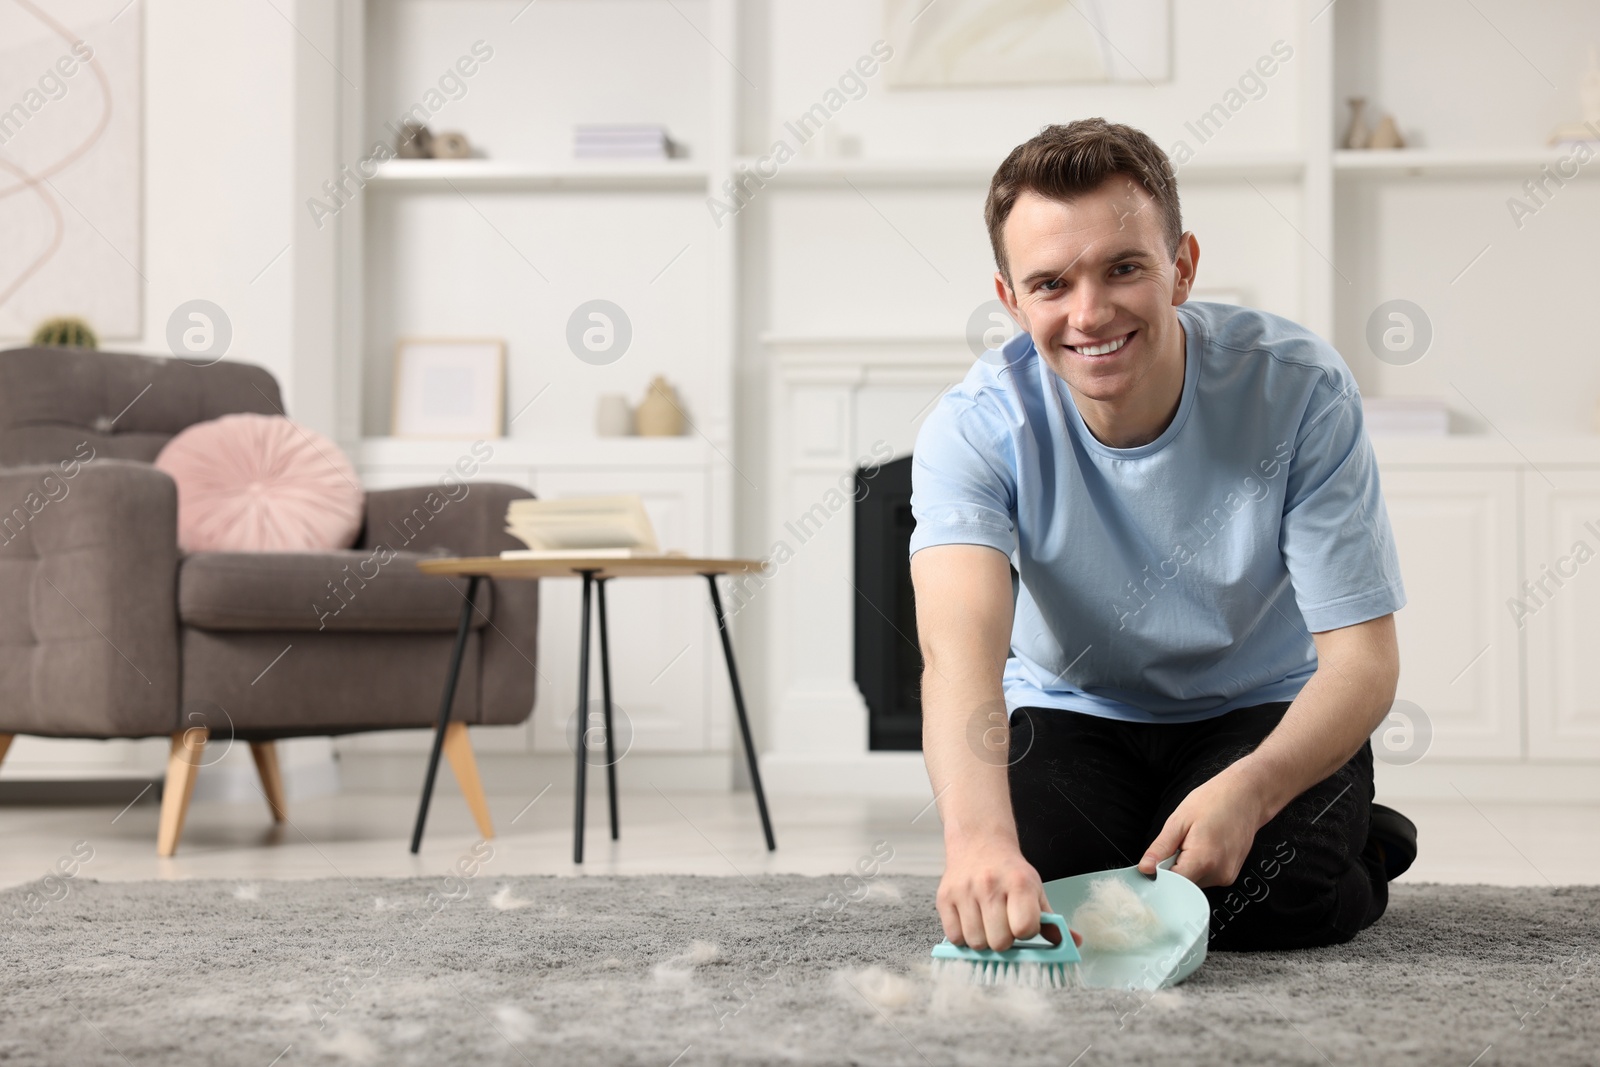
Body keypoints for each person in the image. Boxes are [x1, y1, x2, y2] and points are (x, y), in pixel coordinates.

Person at [910, 118, 1417, 953]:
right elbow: (957, 656)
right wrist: (978, 844)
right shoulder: (974, 429)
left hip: (1261, 708)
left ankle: (1363, 836)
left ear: (1180, 267)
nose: (1089, 312)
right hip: (1074, 711)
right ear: (1010, 300)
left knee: (1263, 902)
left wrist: (1252, 790)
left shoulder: (1301, 391)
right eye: (1050, 284)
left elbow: (1364, 660)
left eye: (1123, 268)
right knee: (1054, 897)